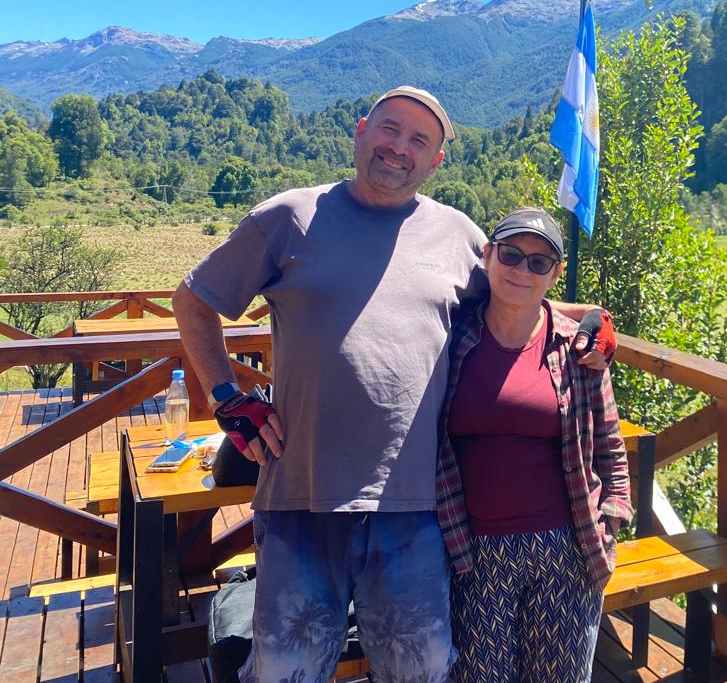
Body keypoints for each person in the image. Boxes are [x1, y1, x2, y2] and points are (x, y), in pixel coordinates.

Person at [172, 86, 610, 683]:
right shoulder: (288, 217)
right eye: (390, 128)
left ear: (436, 161)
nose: (399, 147)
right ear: (361, 130)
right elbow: (193, 300)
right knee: (283, 672)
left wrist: (590, 322)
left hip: (416, 509)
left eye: (419, 140)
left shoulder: (457, 235)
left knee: (421, 672)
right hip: (301, 499)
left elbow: (516, 295)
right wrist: (226, 398)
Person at [437, 207, 631, 683]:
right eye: (511, 255)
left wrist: (612, 519)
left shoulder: (577, 349)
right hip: (473, 551)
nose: (522, 270)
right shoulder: (450, 339)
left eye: (539, 263)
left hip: (567, 546)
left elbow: (608, 442)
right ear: (488, 255)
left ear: (555, 274)